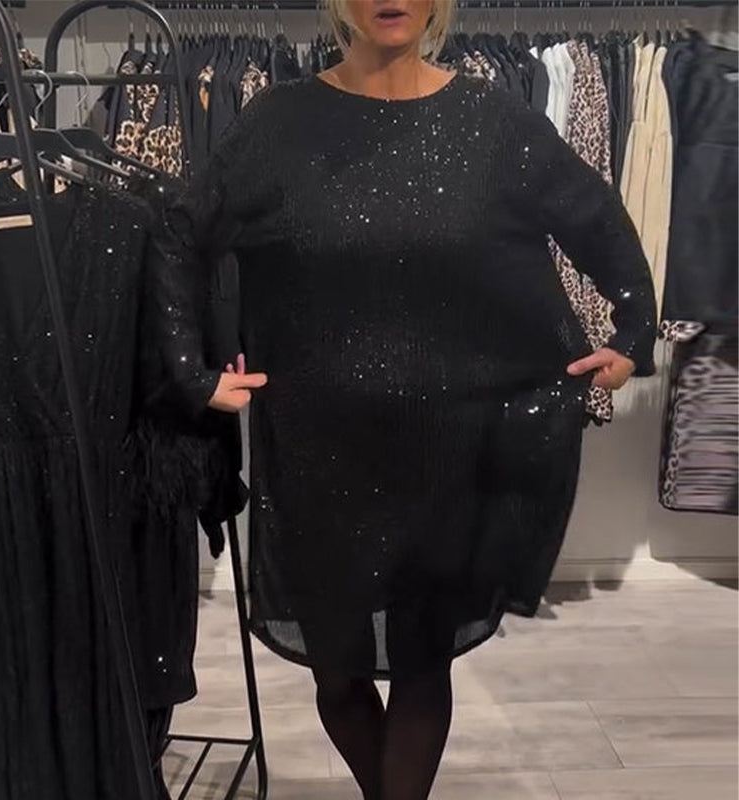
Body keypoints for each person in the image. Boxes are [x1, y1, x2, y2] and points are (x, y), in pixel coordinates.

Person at [147, 1, 657, 798]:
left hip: (447, 454)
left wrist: (633, 333)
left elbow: (596, 219)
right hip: (317, 458)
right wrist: (193, 371)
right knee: (337, 672)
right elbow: (180, 233)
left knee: (423, 666)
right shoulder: (277, 123)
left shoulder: (493, 121)